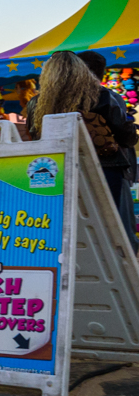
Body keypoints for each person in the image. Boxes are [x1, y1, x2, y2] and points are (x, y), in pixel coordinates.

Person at [28, 50, 139, 248]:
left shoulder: (36, 103)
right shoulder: (102, 96)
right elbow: (126, 136)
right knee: (108, 225)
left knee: (65, 225)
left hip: (55, 171)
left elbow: (34, 136)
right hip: (104, 168)